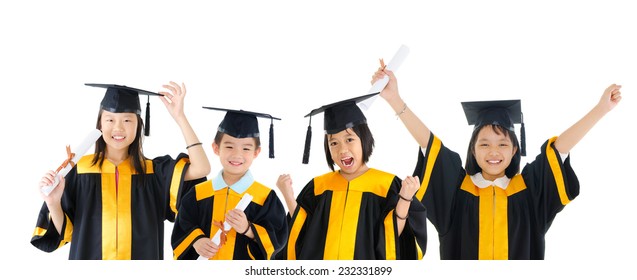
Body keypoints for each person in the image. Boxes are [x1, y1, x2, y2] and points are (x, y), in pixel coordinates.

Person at [372, 67, 622, 259]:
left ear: (515, 149)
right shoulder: (457, 194)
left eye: (502, 144)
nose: (494, 151)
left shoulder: (529, 193)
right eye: (484, 144)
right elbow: (429, 144)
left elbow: (559, 150)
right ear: (473, 149)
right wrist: (395, 99)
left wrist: (601, 109)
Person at [31, 82, 210, 260]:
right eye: (110, 119)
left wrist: (180, 117)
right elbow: (67, 233)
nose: (118, 128)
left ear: (138, 125)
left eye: (127, 120)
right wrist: (53, 203)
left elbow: (201, 168)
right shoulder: (79, 170)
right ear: (100, 124)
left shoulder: (154, 173)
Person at [278, 93, 427, 260]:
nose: (342, 149)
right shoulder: (318, 186)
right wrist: (288, 196)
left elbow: (391, 240)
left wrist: (405, 199)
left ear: (364, 139)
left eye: (349, 139)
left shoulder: (386, 185)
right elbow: (303, 232)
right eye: (334, 143)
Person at [171, 107, 288, 260]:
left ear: (256, 152)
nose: (237, 154)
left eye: (246, 148)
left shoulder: (265, 197)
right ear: (216, 148)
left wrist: (248, 229)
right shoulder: (198, 193)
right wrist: (196, 240)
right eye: (229, 146)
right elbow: (183, 226)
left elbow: (278, 239)